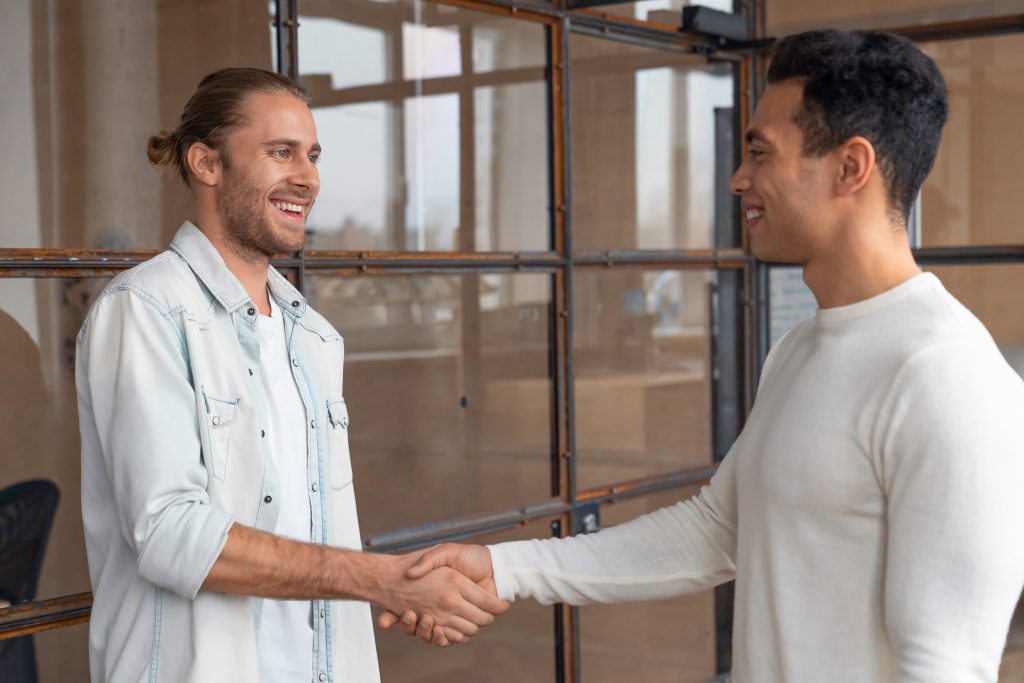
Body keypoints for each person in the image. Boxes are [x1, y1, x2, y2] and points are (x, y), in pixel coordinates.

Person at [382, 29, 1024, 682]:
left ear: (850, 168)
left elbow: (944, 668)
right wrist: (504, 568)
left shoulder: (947, 377)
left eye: (760, 154)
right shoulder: (800, 347)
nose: (739, 179)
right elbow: (719, 529)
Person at [75, 67, 506, 683]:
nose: (307, 178)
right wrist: (383, 580)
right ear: (206, 162)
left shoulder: (314, 336)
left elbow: (318, 532)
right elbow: (172, 534)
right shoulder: (145, 311)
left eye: (313, 155)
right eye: (281, 152)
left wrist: (407, 590)